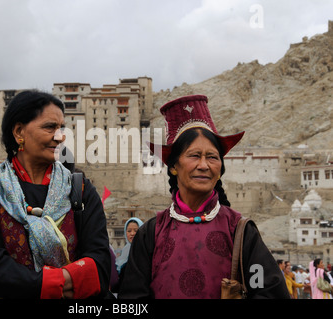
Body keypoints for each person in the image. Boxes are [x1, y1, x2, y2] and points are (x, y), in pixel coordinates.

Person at [118, 95, 290, 299]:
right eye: (194, 155)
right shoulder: (150, 234)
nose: (204, 165)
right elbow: (132, 299)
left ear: (220, 168)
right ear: (173, 166)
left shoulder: (240, 232)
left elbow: (269, 292)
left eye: (212, 157)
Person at [0, 90, 110, 299]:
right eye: (50, 127)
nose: (60, 137)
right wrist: (55, 284)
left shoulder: (80, 190)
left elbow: (101, 261)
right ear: (19, 132)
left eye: (61, 128)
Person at [112, 217, 143, 293]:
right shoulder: (125, 250)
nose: (132, 233)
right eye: (129, 231)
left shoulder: (144, 252)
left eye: (136, 230)